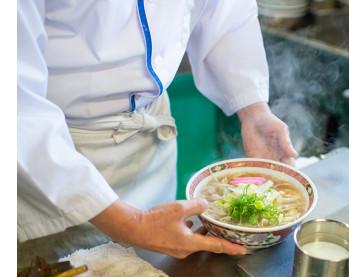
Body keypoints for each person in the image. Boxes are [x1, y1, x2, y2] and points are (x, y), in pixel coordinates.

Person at [17, 1, 298, 260]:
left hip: (151, 141)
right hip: (53, 159)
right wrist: (133, 225)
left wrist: (253, 109)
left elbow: (222, 9)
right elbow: (16, 109)